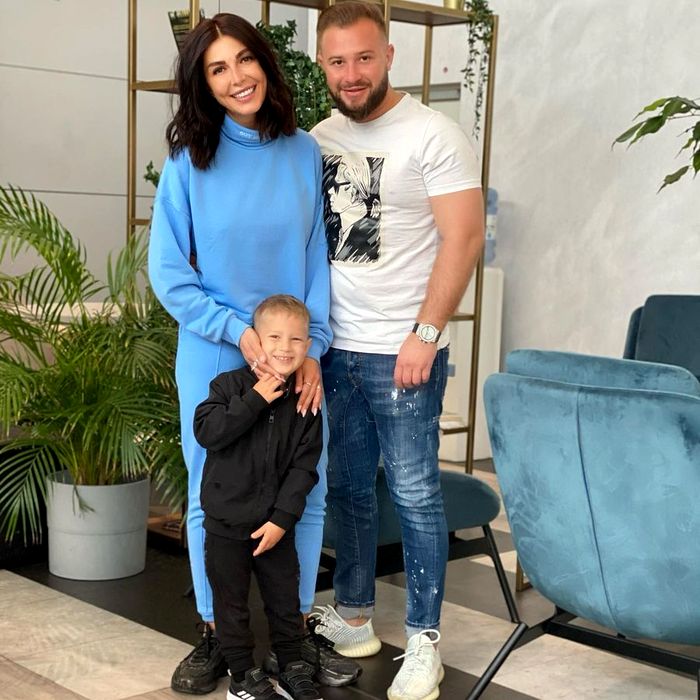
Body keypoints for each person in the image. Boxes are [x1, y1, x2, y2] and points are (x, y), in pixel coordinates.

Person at [148, 13, 359, 695]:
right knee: (213, 496)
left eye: (245, 59)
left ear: (265, 63)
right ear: (202, 84)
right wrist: (239, 333)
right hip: (216, 353)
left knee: (306, 488)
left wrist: (312, 348)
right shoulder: (189, 160)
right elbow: (169, 273)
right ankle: (219, 634)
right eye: (218, 68)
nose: (237, 77)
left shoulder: (302, 152)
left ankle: (292, 636)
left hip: (297, 356)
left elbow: (314, 261)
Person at [310, 3, 485, 700]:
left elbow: (464, 237)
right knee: (348, 488)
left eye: (363, 57)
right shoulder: (319, 138)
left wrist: (426, 333)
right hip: (335, 349)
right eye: (337, 61)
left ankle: (423, 641)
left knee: (413, 492)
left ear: (388, 55)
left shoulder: (434, 133)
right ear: (323, 65)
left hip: (402, 351)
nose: (351, 74)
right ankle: (355, 617)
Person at [195, 295, 323, 700]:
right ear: (255, 341)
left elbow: (304, 468)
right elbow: (208, 432)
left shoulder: (305, 400)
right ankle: (241, 677)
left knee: (285, 601)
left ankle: (292, 665)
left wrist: (282, 520)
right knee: (231, 604)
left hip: (275, 526)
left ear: (307, 346)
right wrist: (255, 400)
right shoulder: (228, 386)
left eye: (296, 339)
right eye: (275, 337)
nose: (285, 347)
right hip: (225, 525)